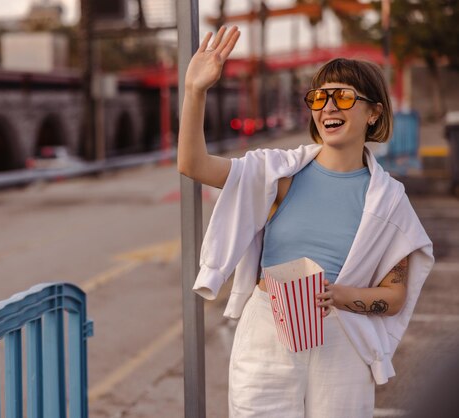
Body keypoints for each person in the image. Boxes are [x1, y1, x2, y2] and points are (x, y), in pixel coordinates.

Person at [177, 26, 435, 418]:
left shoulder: (388, 200)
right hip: (267, 329)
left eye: (344, 96)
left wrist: (340, 296)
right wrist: (195, 91)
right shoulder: (278, 174)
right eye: (320, 97)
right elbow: (192, 165)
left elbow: (394, 296)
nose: (328, 107)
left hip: (342, 338)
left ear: (374, 113)